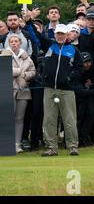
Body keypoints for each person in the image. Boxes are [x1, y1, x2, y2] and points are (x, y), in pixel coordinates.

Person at [41, 24, 83, 156]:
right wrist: (29, 21)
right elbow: (37, 37)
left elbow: (79, 68)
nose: (60, 36)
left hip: (67, 90)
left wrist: (69, 78)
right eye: (58, 33)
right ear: (55, 35)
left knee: (69, 119)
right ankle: (51, 147)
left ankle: (72, 146)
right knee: (49, 119)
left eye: (62, 34)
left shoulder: (73, 50)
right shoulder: (50, 46)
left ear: (66, 35)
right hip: (49, 88)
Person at [3, 34, 36, 153]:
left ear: (20, 43)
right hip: (8, 89)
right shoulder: (3, 54)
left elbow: (33, 71)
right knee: (8, 117)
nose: (14, 43)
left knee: (20, 118)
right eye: (11, 41)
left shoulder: (26, 57)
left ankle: (17, 144)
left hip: (23, 90)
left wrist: (25, 75)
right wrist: (19, 72)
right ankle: (6, 144)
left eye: (16, 41)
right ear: (8, 43)